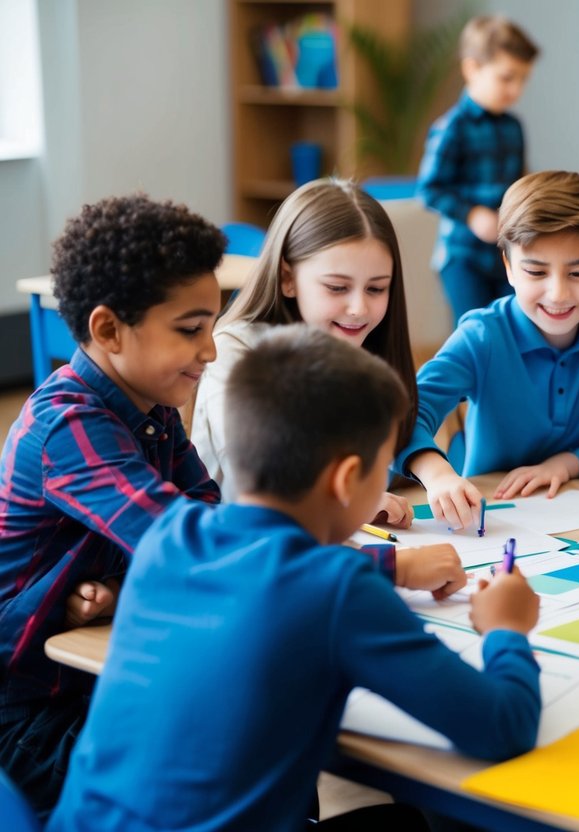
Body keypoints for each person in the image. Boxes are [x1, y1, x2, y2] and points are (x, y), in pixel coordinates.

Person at [49, 326, 542, 832]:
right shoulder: (340, 587)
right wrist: (507, 629)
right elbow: (505, 726)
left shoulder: (168, 537)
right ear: (347, 479)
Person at [0, 194, 224, 817]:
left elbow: (205, 516)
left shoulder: (150, 411)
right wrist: (383, 568)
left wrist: (125, 587)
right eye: (190, 329)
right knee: (220, 766)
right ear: (107, 329)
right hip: (26, 713)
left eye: (212, 326)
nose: (209, 351)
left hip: (94, 677)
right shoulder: (69, 425)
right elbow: (200, 549)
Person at [402, 170, 579, 530]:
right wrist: (439, 475)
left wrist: (568, 463)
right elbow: (404, 414)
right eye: (536, 272)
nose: (557, 294)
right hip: (494, 517)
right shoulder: (483, 335)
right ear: (508, 266)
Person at [192, 179, 419, 533]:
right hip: (244, 552)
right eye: (337, 287)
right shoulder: (236, 351)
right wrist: (350, 501)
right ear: (287, 278)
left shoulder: (361, 351)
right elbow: (263, 470)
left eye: (376, 288)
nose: (359, 308)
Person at [418, 14, 539, 321]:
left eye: (523, 80)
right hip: (463, 258)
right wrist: (472, 215)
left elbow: (519, 180)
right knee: (474, 333)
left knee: (514, 327)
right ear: (472, 68)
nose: (516, 90)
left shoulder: (514, 127)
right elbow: (429, 190)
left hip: (506, 254)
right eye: (507, 77)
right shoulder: (451, 128)